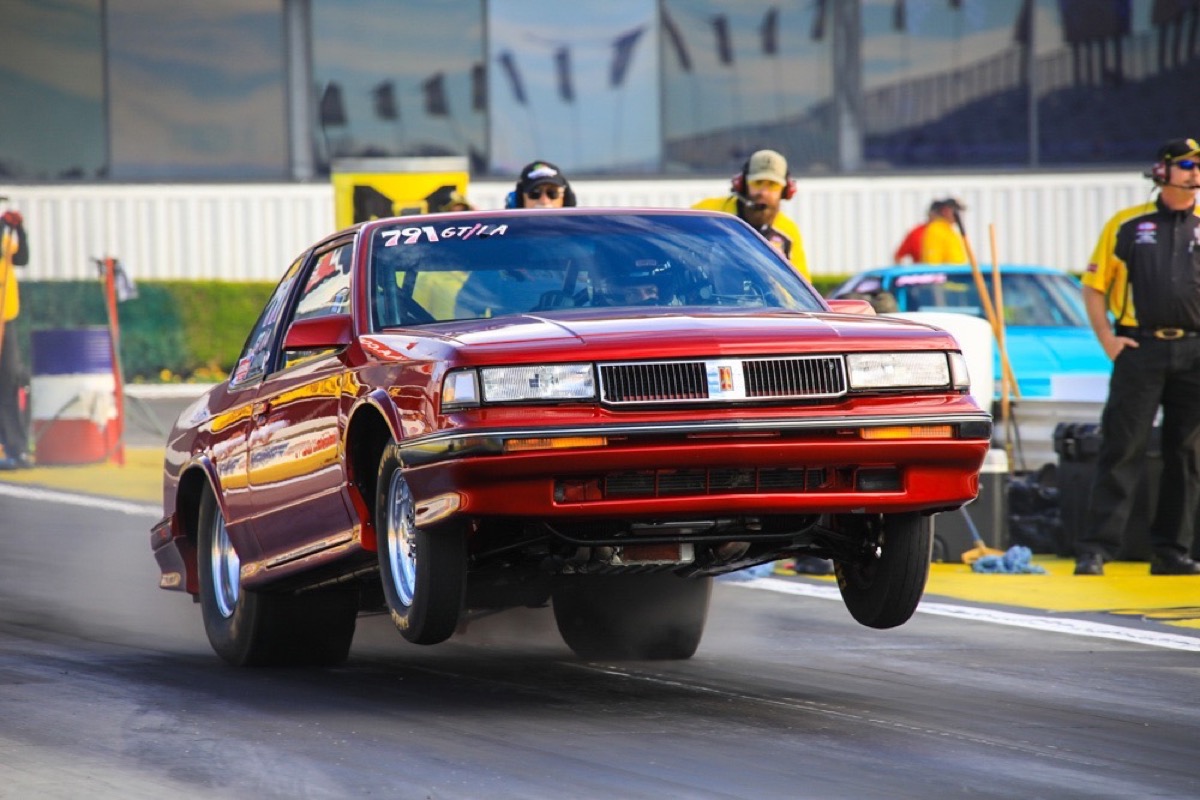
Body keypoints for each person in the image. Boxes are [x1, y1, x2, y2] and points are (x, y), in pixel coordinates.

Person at [1073, 137, 1200, 576]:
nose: (1194, 171)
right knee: (1122, 447)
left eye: (1199, 164)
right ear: (1161, 171)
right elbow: (1092, 287)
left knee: (1186, 454)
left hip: (1195, 351)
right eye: (1185, 163)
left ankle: (1172, 551)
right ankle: (1096, 548)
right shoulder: (1127, 224)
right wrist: (1108, 338)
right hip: (1139, 347)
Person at [692, 149, 810, 281]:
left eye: (773, 185)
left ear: (786, 191)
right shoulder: (709, 212)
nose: (764, 192)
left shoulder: (788, 232)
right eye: (757, 183)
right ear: (742, 185)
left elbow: (802, 289)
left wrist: (779, 272)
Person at [0, 203, 31, 469]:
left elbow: (21, 258)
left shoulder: (5, 234)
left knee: (9, 381)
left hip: (5, 318)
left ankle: (16, 449)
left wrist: (18, 228)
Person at [506, 160, 577, 209]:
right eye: (535, 193)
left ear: (564, 198)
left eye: (552, 193)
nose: (544, 201)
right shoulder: (505, 230)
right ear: (521, 199)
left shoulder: (582, 229)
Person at [918, 198, 968, 264]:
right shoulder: (936, 230)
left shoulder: (949, 230)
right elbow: (932, 261)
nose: (959, 215)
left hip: (956, 272)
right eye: (956, 210)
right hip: (946, 273)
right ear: (945, 211)